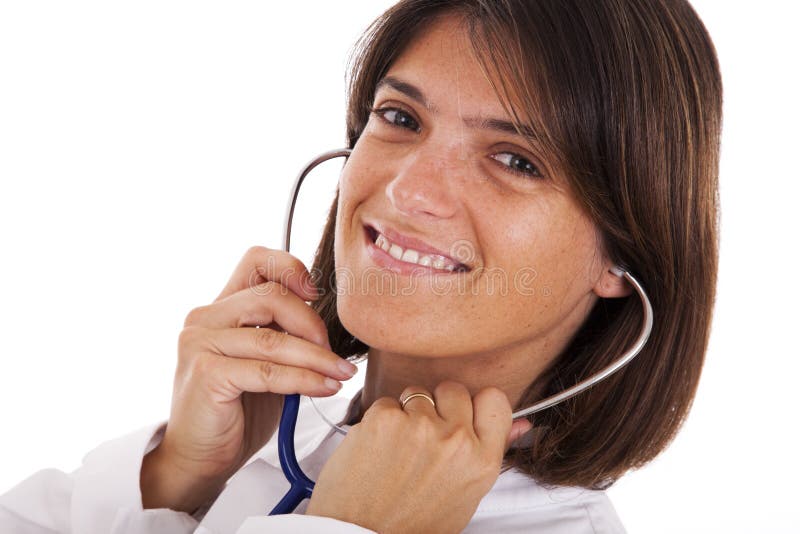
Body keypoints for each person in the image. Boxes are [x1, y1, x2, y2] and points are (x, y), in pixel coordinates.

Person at [0, 0, 722, 532]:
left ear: (623, 257)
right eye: (401, 118)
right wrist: (174, 481)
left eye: (515, 160)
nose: (408, 190)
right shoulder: (269, 446)